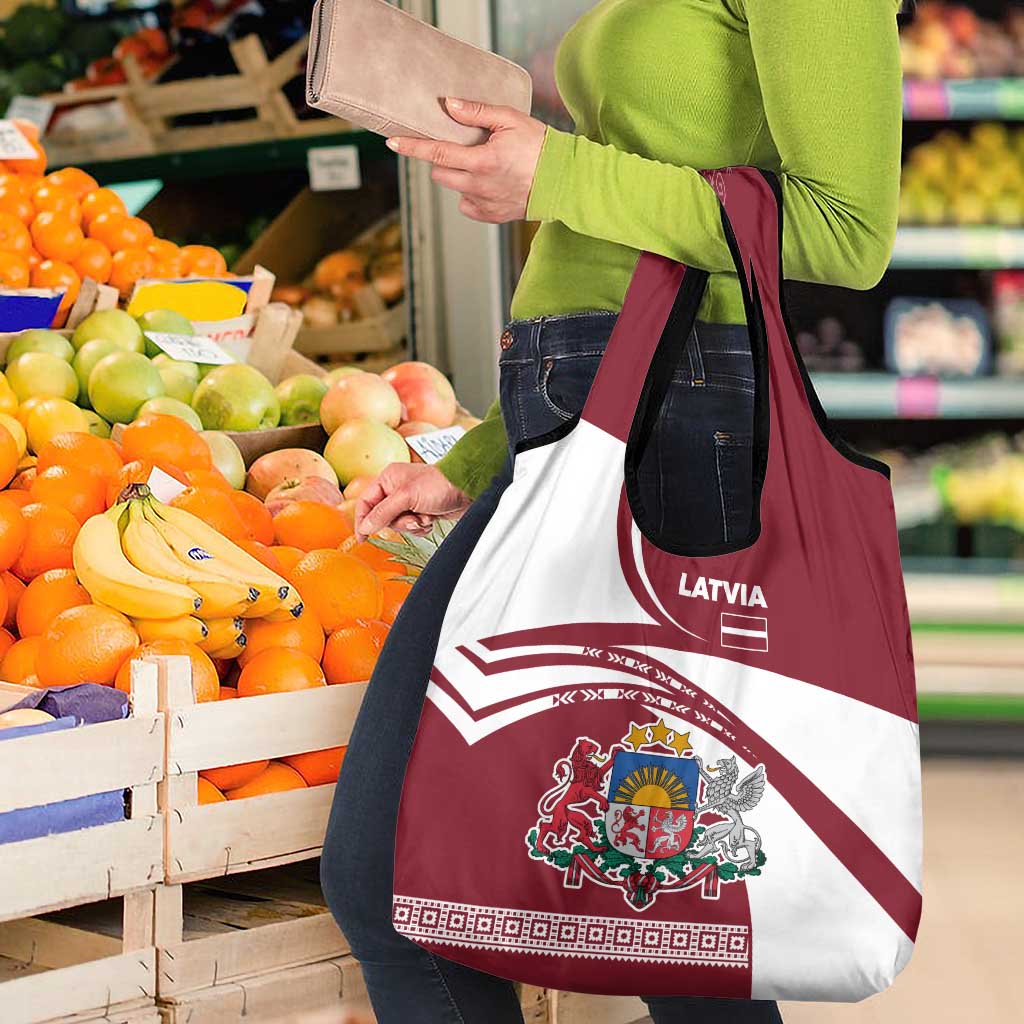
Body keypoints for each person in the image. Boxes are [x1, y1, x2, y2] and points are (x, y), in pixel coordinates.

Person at [321, 2, 903, 1021]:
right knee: (583, 912)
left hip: (680, 438)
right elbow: (621, 239)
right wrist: (478, 458)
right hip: (582, 428)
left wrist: (557, 172)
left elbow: (847, 229)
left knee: (661, 924)